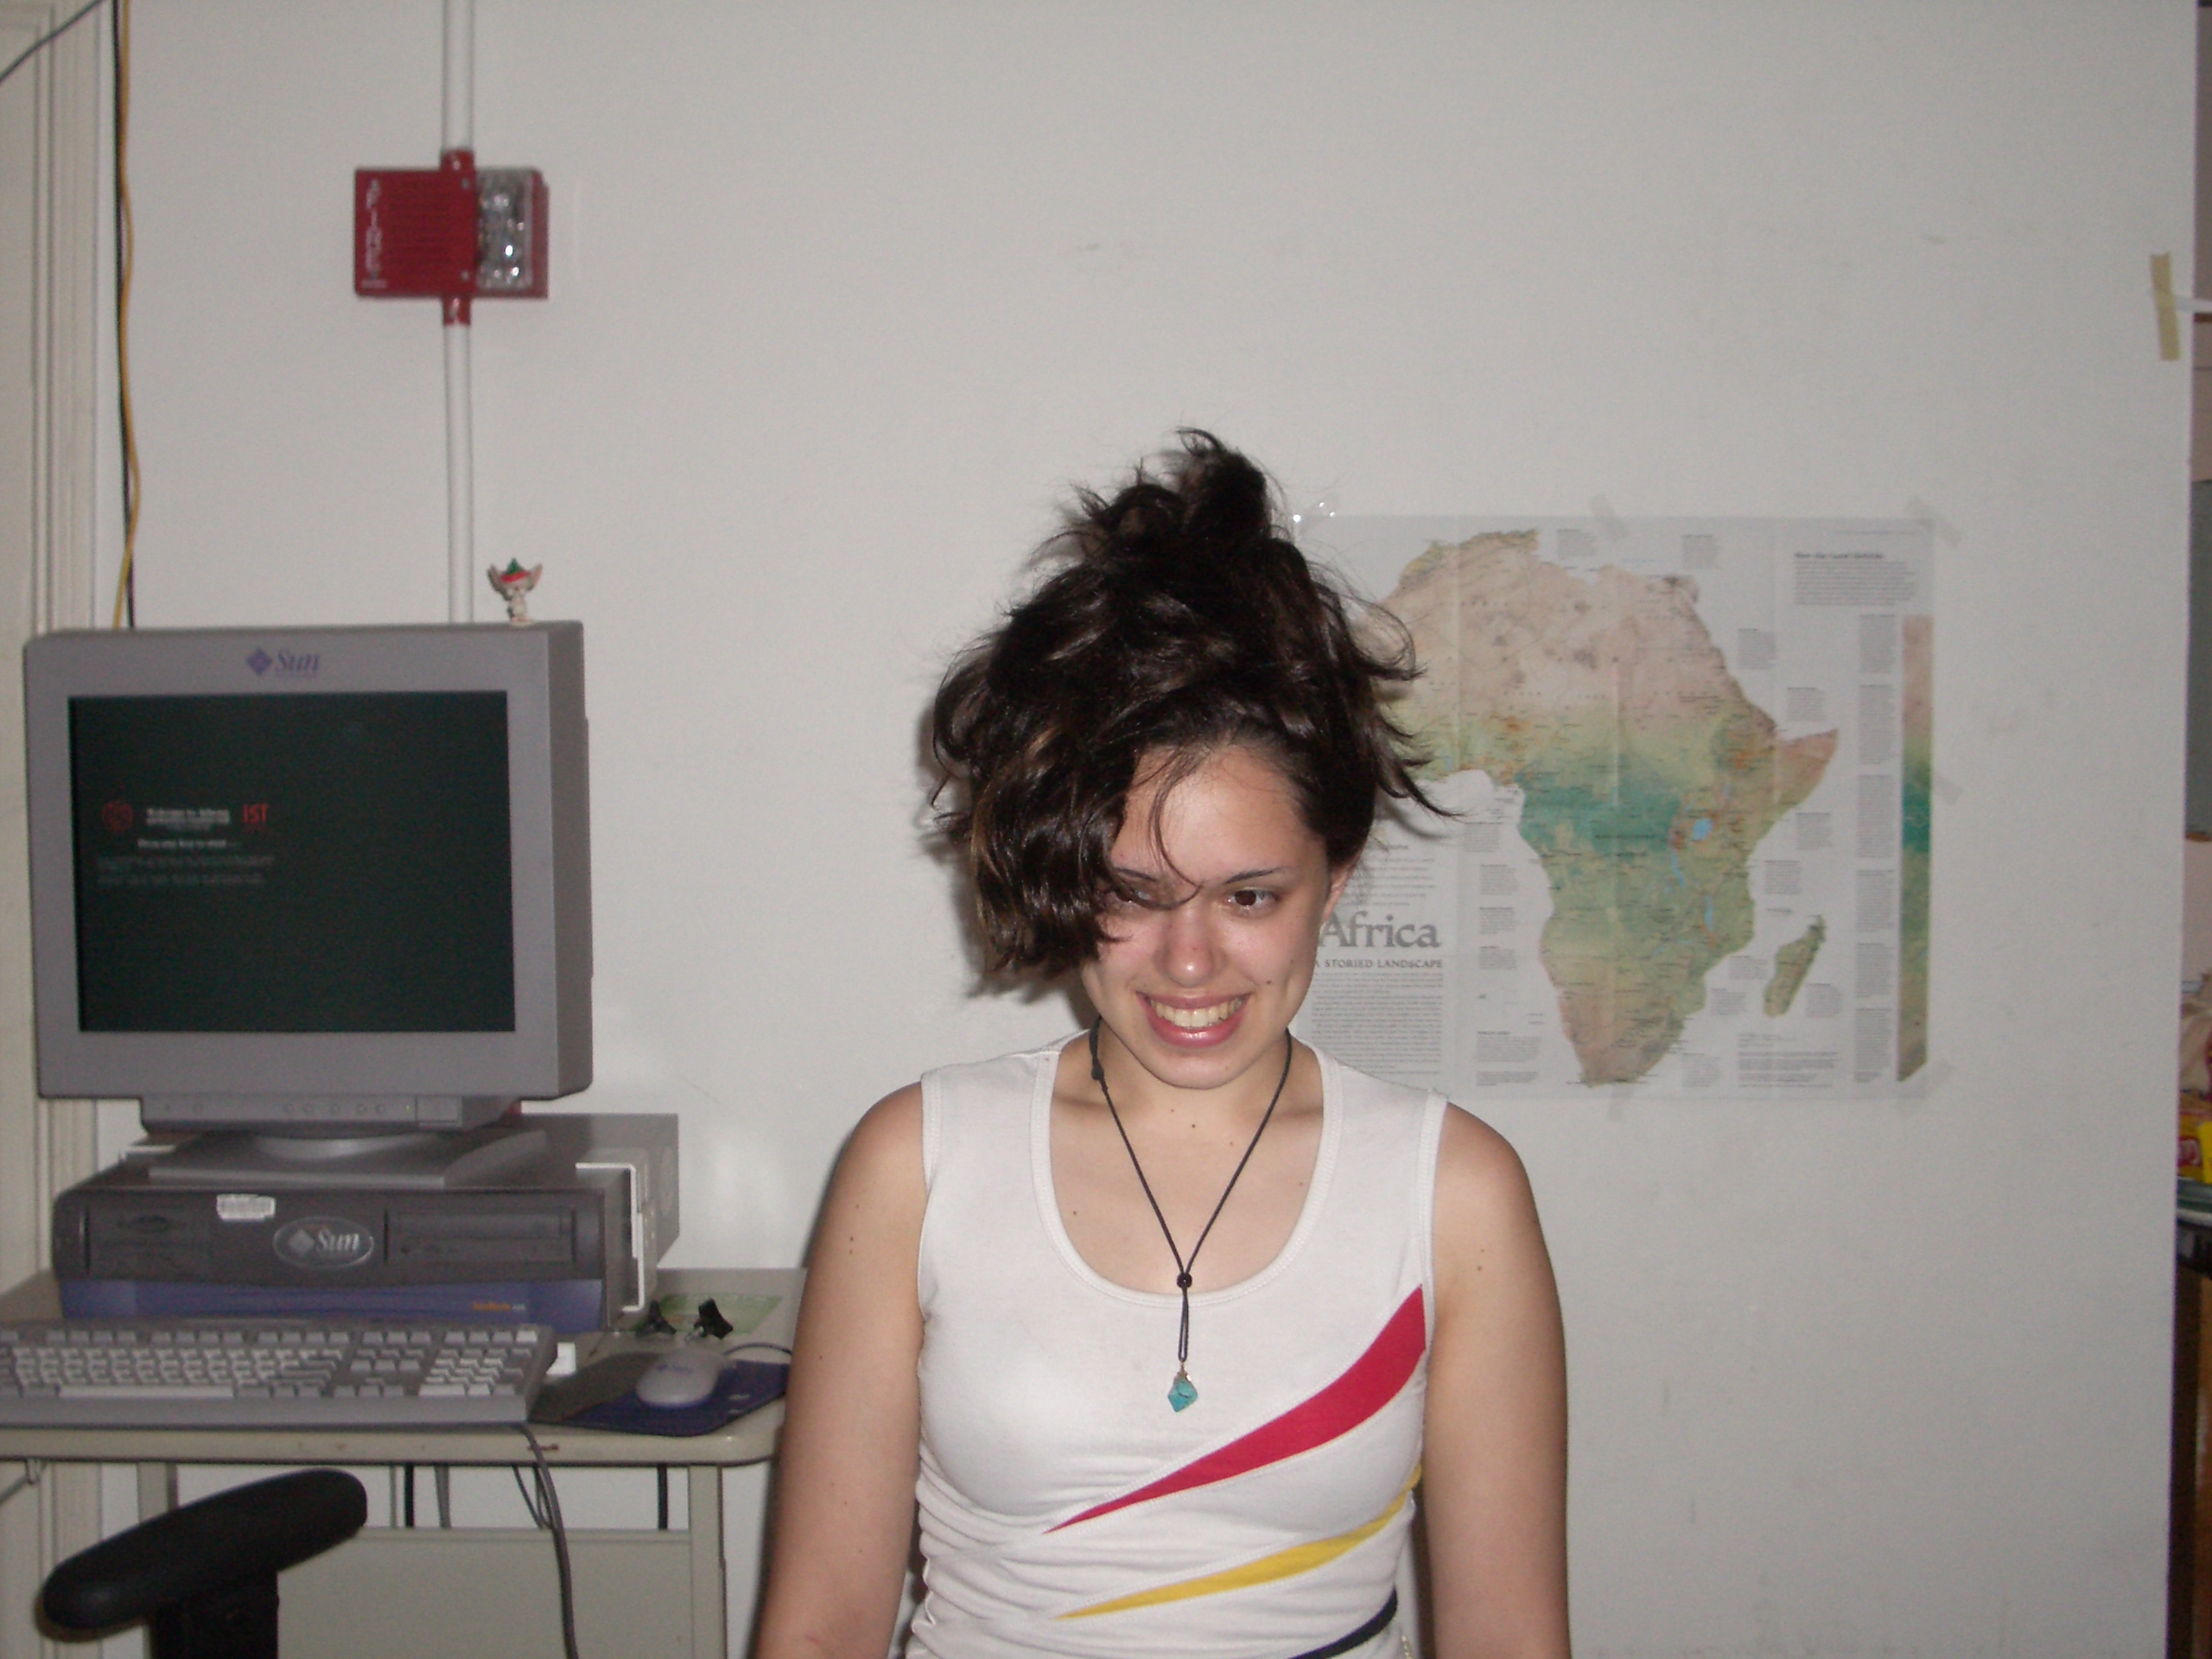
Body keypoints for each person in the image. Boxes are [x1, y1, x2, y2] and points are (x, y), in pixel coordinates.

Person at [757, 434, 1567, 1659]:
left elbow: (1509, 1638)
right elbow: (820, 1627)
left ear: (1337, 883)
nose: (1190, 964)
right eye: (1132, 894)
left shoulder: (1453, 1193)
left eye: (1249, 897)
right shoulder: (917, 1162)